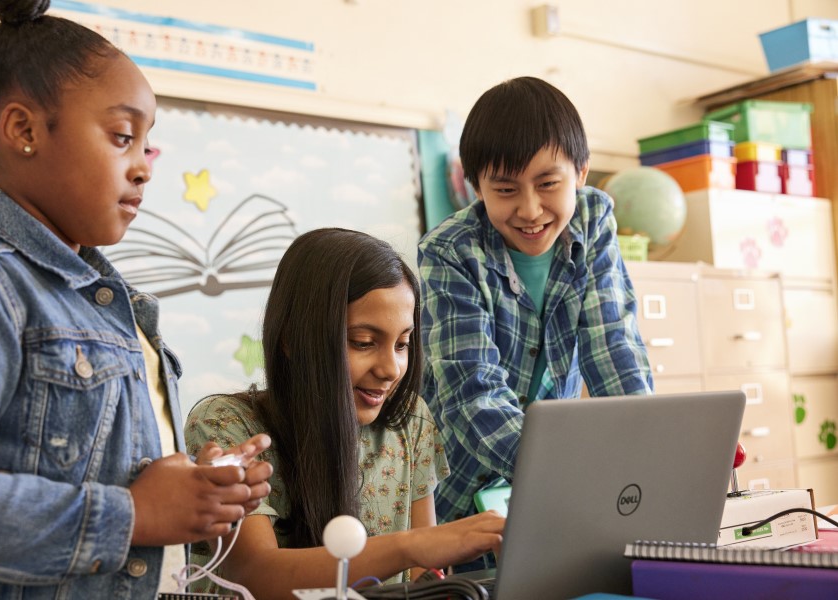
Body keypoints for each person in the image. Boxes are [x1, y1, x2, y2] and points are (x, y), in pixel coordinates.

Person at [0, 1, 272, 598]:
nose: (144, 168)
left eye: (147, 147)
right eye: (123, 137)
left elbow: (92, 466)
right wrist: (133, 515)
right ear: (24, 131)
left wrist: (193, 485)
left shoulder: (114, 302)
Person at [184, 228, 505, 599]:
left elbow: (425, 582)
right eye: (363, 343)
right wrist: (412, 545)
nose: (391, 369)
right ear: (292, 339)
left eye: (402, 344)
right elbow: (255, 575)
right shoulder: (226, 424)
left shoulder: (411, 421)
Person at [418, 76, 654, 527]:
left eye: (547, 183)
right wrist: (565, 473)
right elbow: (473, 395)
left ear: (581, 174)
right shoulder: (450, 251)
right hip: (459, 494)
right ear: (476, 188)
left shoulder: (593, 218)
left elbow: (615, 350)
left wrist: (647, 458)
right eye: (505, 190)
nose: (529, 209)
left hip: (557, 491)